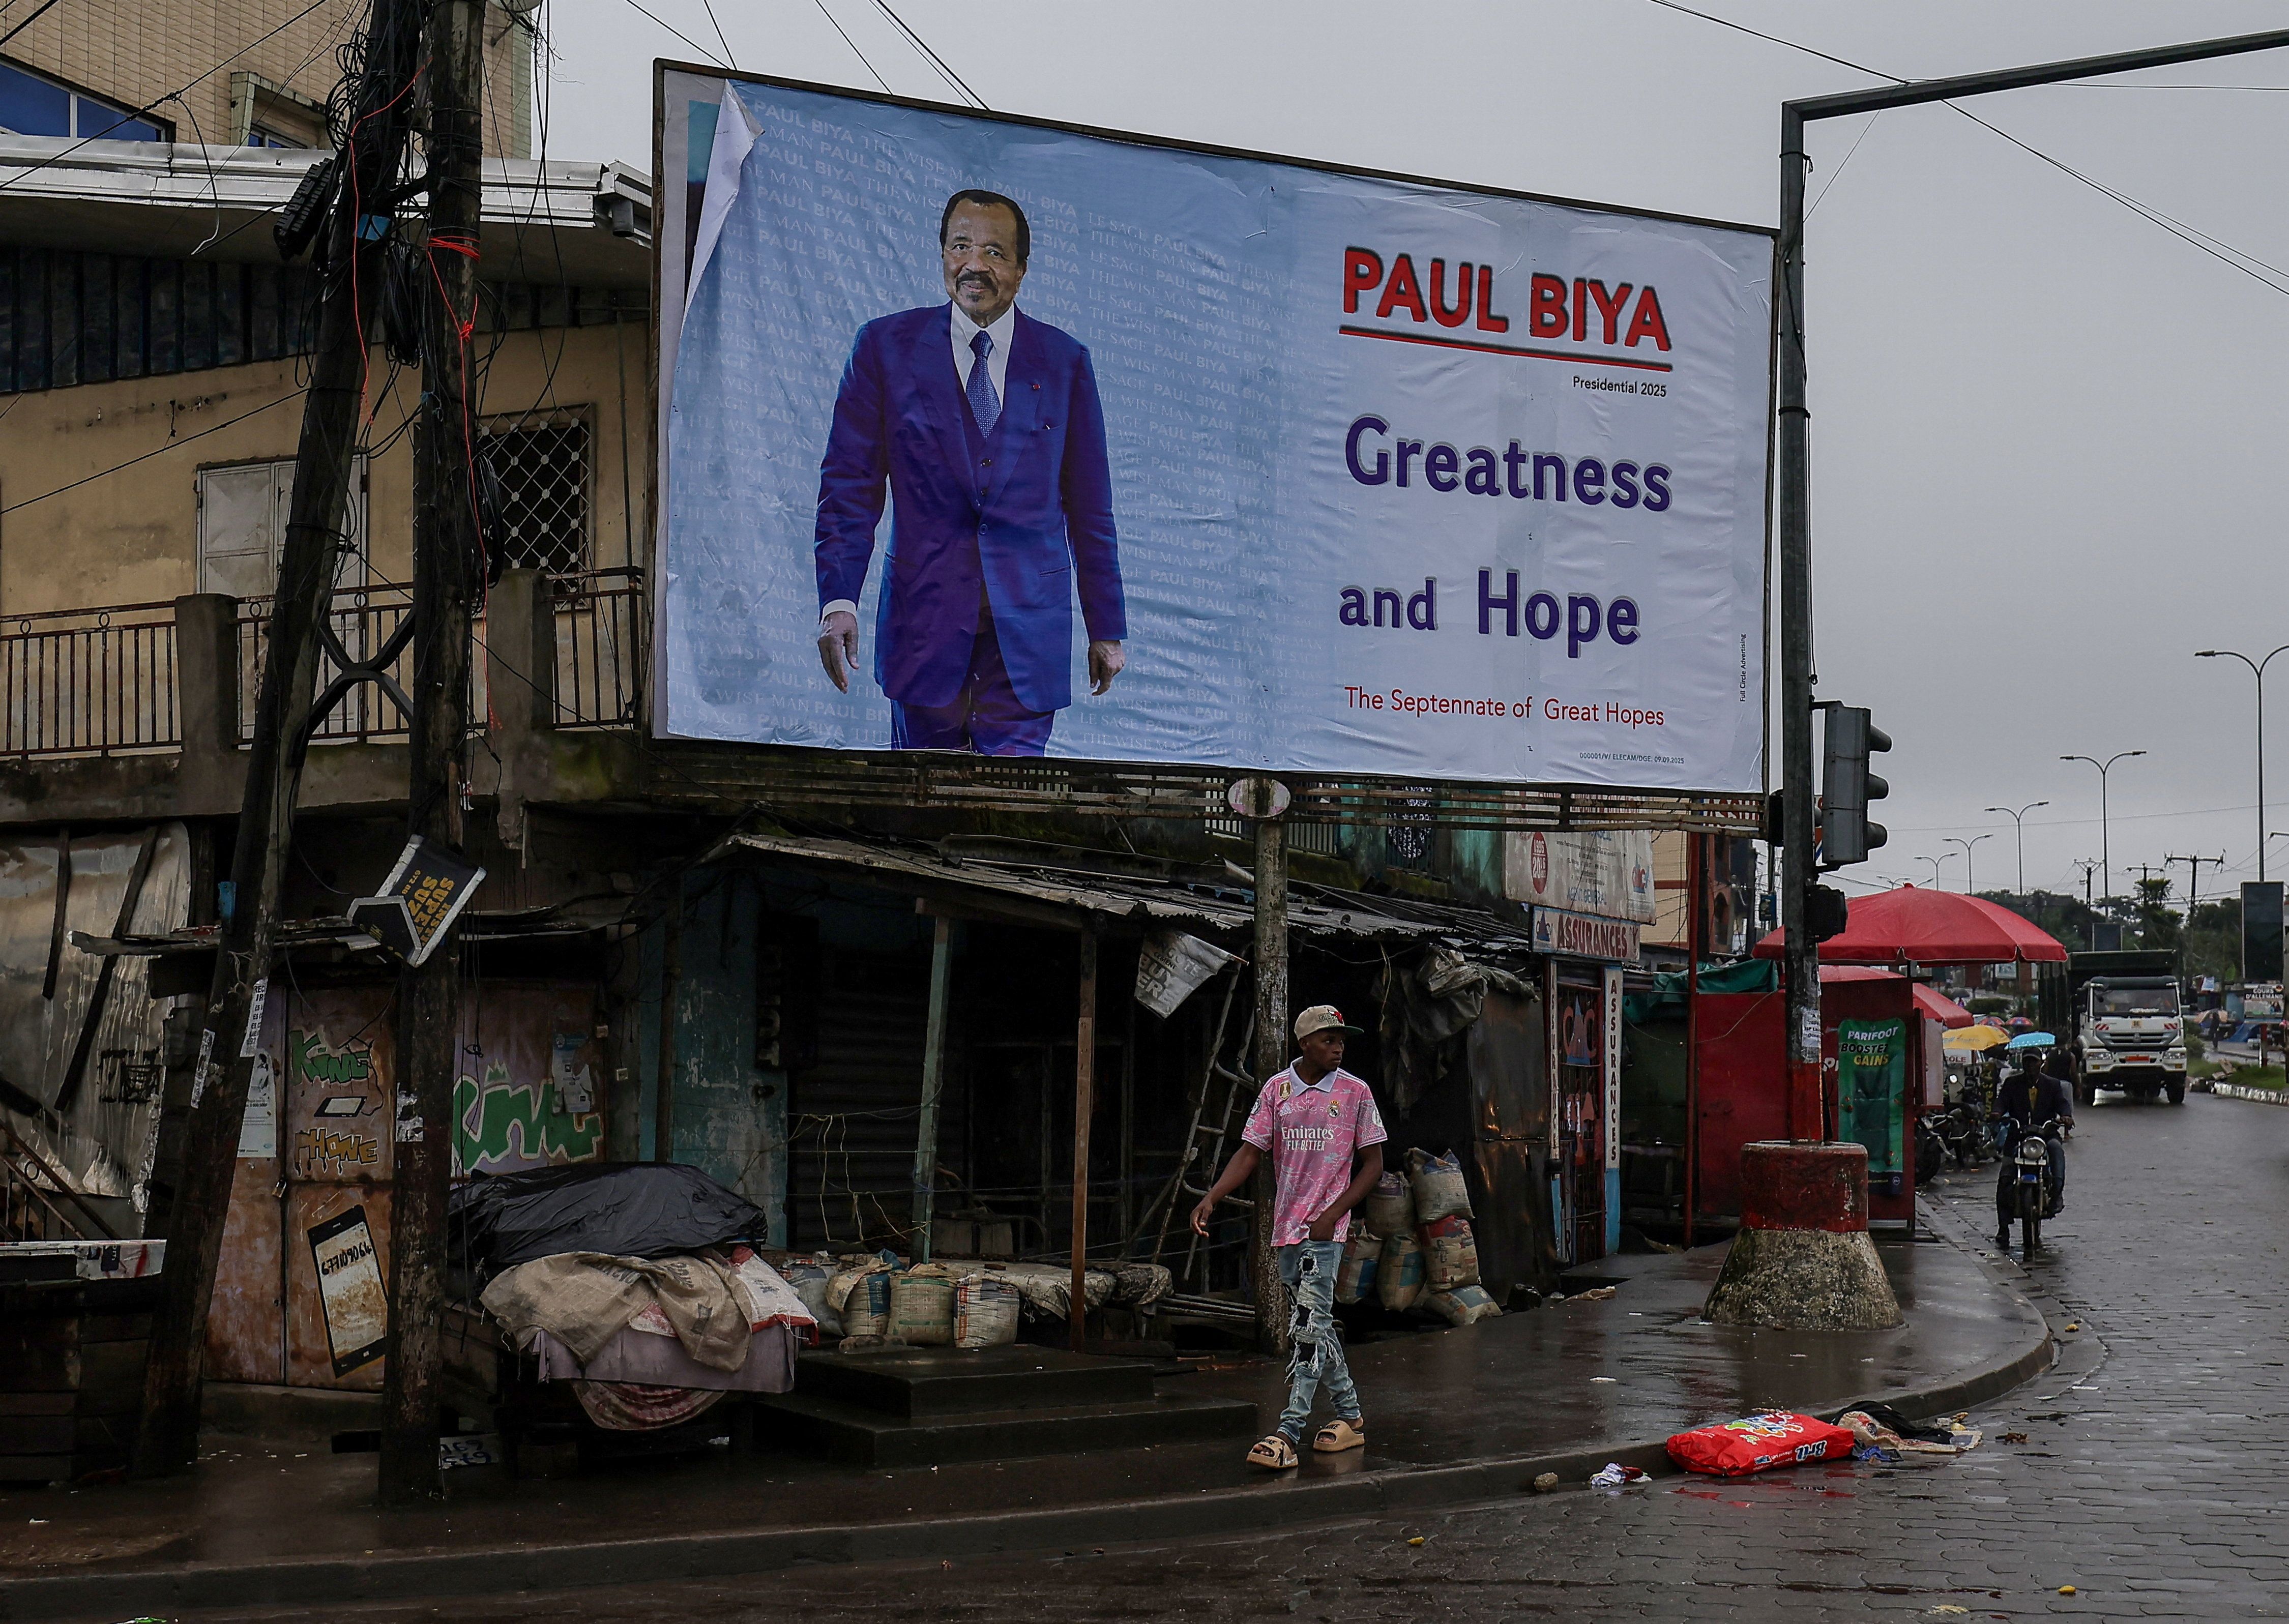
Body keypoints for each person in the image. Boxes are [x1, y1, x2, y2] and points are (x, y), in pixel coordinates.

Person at [814, 188, 1127, 755]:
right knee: (920, 813)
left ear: (1022, 270)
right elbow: (848, 489)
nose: (974, 265)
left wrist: (1106, 627)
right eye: (961, 246)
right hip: (922, 632)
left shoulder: (1064, 364)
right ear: (942, 256)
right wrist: (839, 602)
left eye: (995, 252)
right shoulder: (884, 349)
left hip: (1027, 641)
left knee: (1006, 816)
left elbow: (1090, 508)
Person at [1190, 1005, 1387, 1471]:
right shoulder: (1278, 1090)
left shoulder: (1356, 1092)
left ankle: (1288, 1430)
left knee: (1306, 1328)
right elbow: (1251, 1151)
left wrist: (1334, 1213)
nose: (1338, 1046)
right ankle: (1352, 1417)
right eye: (1328, 1039)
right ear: (1305, 1044)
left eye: (1342, 1039)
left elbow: (1373, 1165)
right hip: (1287, 1230)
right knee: (1315, 1325)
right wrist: (1212, 1196)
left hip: (1327, 1231)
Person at [1994, 1048, 2074, 1245]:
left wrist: (2066, 1116)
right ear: (2023, 1064)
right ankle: (2003, 1228)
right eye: (2027, 1062)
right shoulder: (2012, 1084)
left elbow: (2063, 1104)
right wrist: (1996, 1112)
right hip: (2018, 1138)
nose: (2030, 1066)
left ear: (2041, 1064)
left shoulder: (2053, 1085)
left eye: (2034, 1062)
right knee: (2005, 1178)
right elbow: (2001, 1102)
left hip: (2045, 1136)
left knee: (2056, 1151)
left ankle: (2056, 1194)